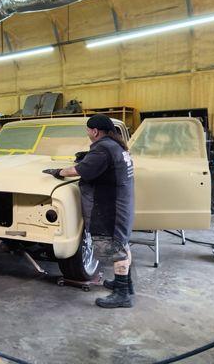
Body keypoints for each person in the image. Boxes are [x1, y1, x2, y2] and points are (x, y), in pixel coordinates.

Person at [42, 114, 135, 308]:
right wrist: (88, 156)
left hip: (109, 208)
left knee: (114, 249)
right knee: (123, 244)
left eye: (88, 130)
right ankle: (125, 283)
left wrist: (58, 172)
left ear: (95, 131)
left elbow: (78, 171)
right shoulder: (116, 146)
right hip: (120, 204)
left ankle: (122, 294)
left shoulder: (103, 149)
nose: (87, 133)